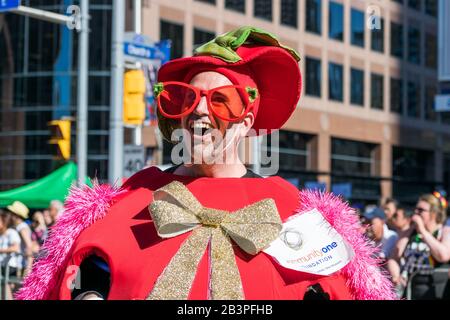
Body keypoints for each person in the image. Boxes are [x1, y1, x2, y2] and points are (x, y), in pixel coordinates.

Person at [17, 26, 395, 300]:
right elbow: (80, 279)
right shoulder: (128, 202)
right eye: (185, 98)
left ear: (247, 121)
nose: (198, 110)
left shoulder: (293, 210)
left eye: (221, 100)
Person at [387, 192, 450, 299]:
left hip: (433, 289)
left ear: (433, 213)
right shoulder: (410, 232)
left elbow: (443, 255)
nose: (416, 213)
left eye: (421, 210)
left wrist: (423, 231)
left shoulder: (444, 231)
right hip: (409, 289)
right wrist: (396, 275)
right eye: (415, 209)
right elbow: (394, 257)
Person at [6, 201, 33, 278]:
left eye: (12, 213)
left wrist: (29, 266)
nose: (10, 215)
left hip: (21, 264)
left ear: (16, 215)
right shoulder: (19, 227)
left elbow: (29, 246)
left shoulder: (22, 228)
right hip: (19, 264)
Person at [0, 209, 21, 300]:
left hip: (10, 266)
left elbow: (16, 248)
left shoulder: (12, 232)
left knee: (7, 290)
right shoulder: (2, 234)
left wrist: (1, 250)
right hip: (3, 266)